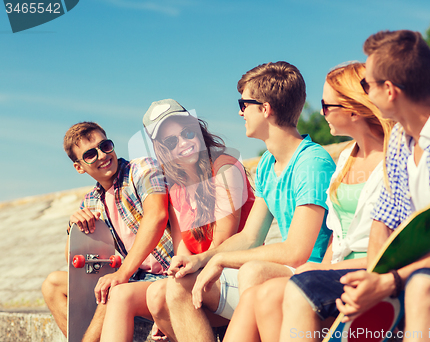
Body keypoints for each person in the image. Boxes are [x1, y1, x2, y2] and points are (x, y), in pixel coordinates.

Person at [279, 30, 430, 342]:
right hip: (403, 274)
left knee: (423, 286)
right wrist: (371, 279)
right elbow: (384, 218)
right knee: (303, 288)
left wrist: (389, 282)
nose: (365, 93)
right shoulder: (399, 139)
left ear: (390, 90)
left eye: (367, 84)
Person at [145, 61, 336, 342]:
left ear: (265, 108)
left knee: (254, 271)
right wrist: (202, 259)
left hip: (311, 273)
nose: (240, 111)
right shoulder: (269, 164)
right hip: (286, 270)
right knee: (177, 287)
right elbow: (250, 236)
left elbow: (297, 251)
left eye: (244, 104)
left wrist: (220, 258)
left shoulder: (312, 161)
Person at [222, 62, 395, 342]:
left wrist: (320, 268)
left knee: (262, 285)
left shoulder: (387, 159)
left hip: (366, 270)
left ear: (352, 108)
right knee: (254, 292)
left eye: (327, 107)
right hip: (333, 267)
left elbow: (380, 247)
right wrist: (208, 260)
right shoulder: (346, 159)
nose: (320, 112)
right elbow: (336, 236)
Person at [100, 99, 255, 341]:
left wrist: (171, 298)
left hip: (233, 274)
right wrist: (176, 274)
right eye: (171, 141)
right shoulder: (175, 187)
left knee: (166, 293)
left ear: (198, 130)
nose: (183, 143)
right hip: (198, 277)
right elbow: (181, 249)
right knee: (135, 296)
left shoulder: (226, 168)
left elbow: (223, 245)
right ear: (161, 148)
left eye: (188, 133)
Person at [41, 122, 174, 342]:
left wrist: (121, 275)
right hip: (135, 279)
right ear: (79, 167)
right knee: (52, 284)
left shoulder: (141, 169)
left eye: (105, 146)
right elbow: (75, 265)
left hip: (165, 276)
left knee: (111, 289)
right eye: (91, 154)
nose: (102, 155)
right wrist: (74, 227)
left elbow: (157, 217)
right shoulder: (92, 201)